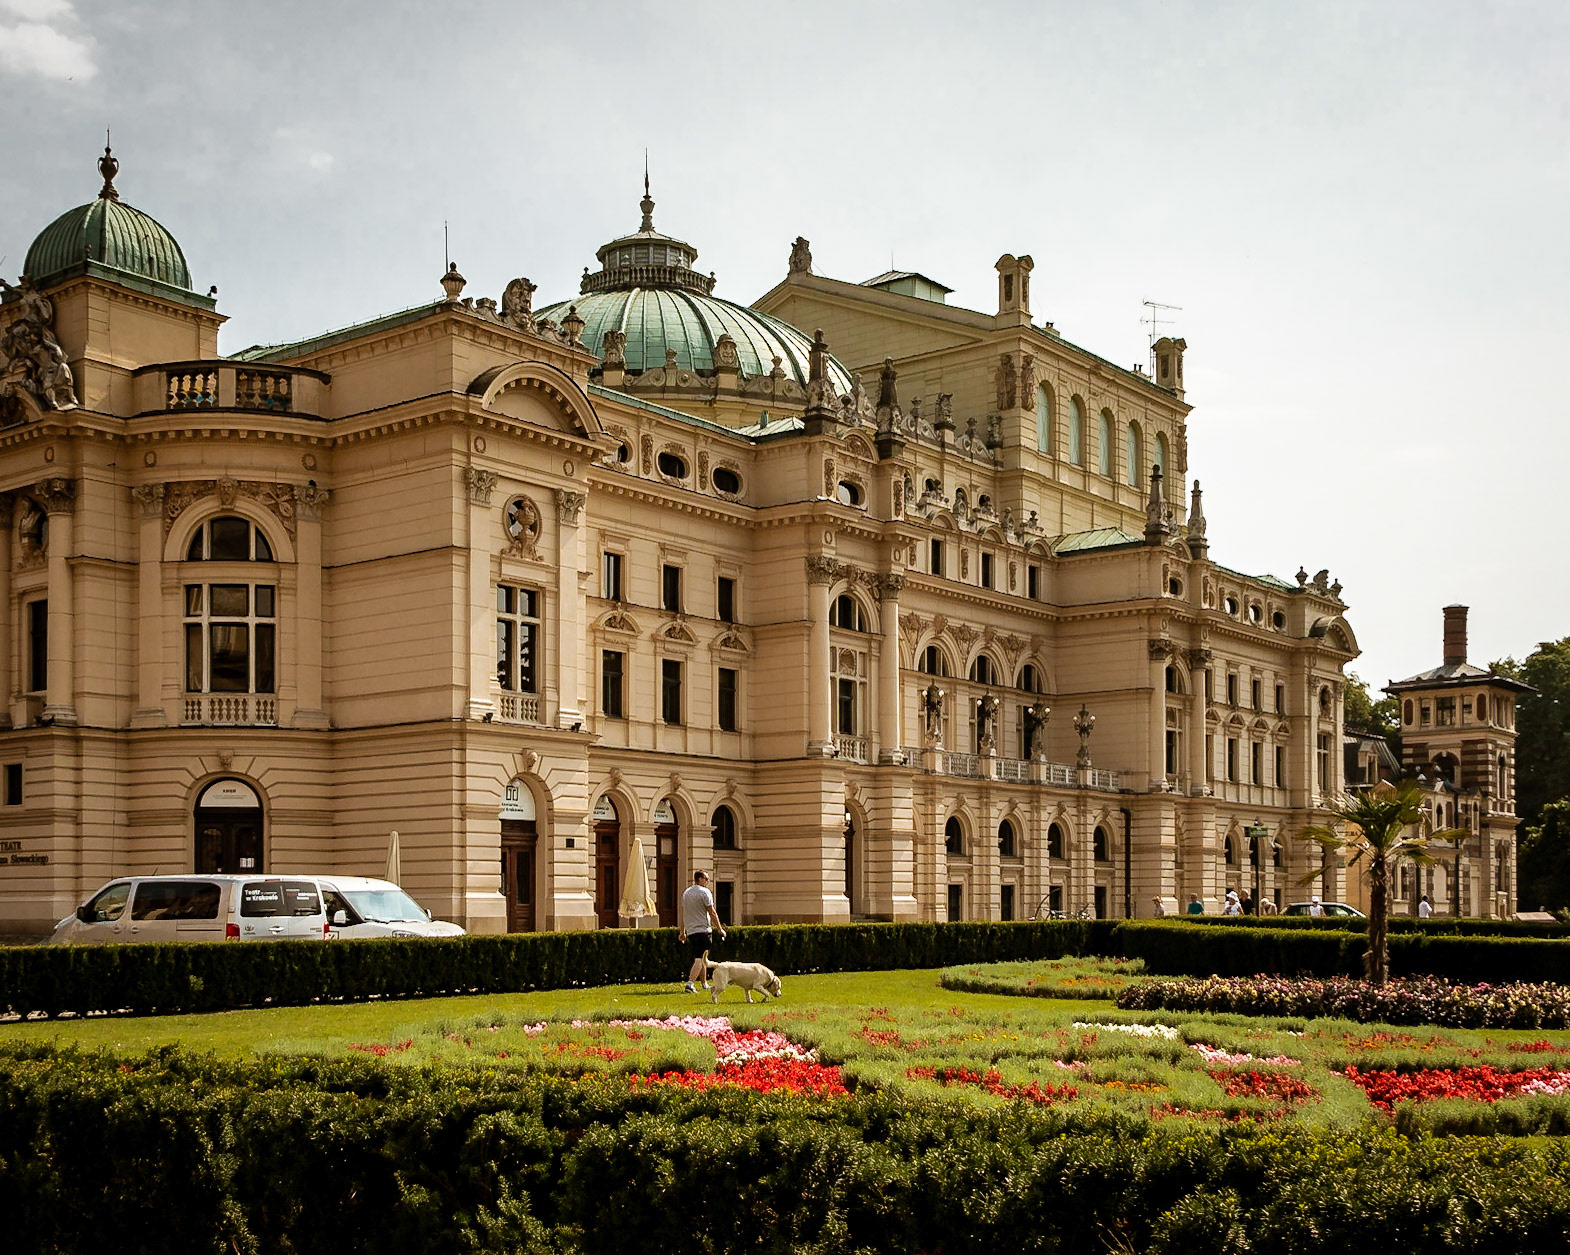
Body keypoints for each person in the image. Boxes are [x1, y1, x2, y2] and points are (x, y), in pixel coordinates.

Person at [679, 869, 726, 993]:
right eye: (706, 879)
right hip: (703, 930)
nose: (708, 881)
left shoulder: (686, 893)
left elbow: (684, 914)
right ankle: (690, 984)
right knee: (699, 959)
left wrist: (682, 932)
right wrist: (720, 929)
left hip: (691, 931)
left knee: (702, 956)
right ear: (699, 879)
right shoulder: (705, 892)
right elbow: (712, 912)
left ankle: (704, 983)